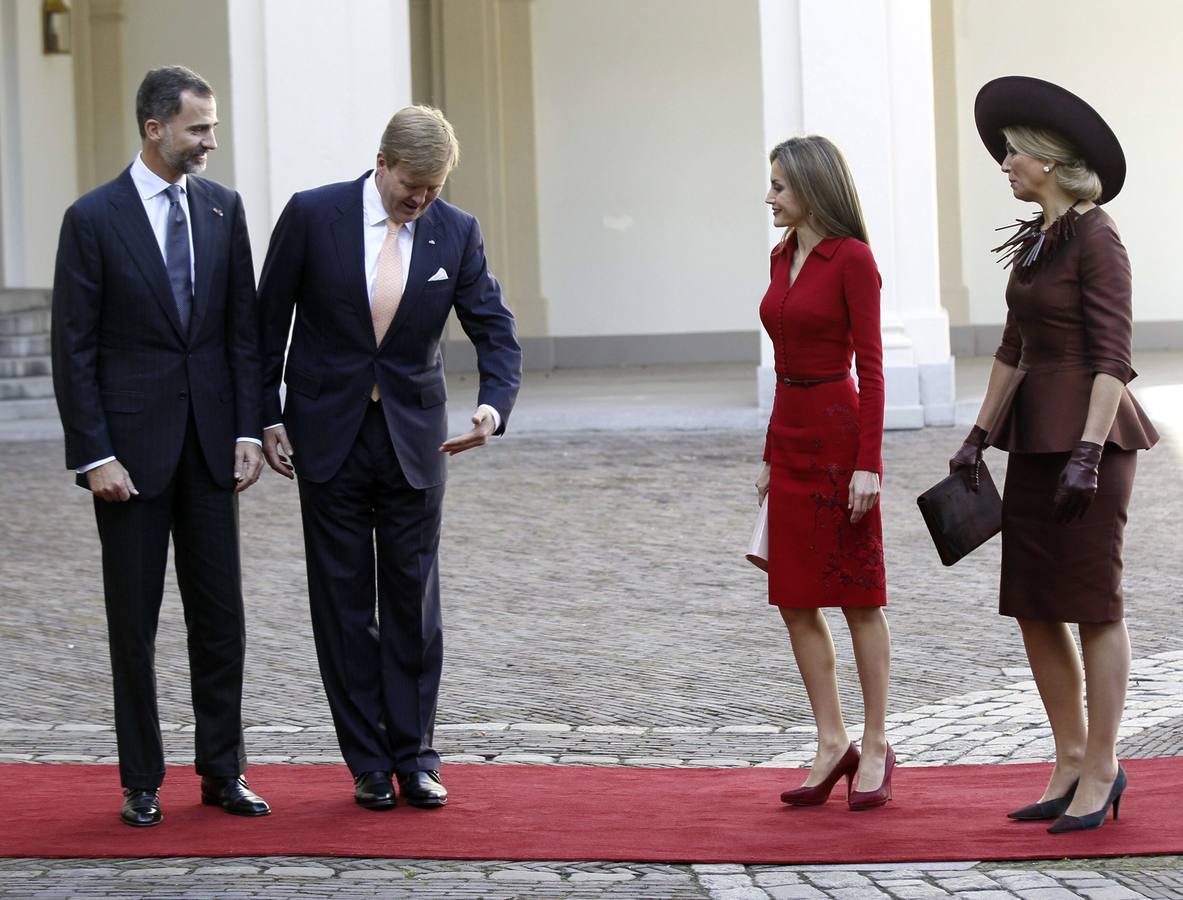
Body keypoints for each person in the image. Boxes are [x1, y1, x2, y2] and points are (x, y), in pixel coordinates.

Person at [257, 105, 522, 811]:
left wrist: (491, 409)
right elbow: (265, 326)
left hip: (415, 440)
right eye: (412, 185)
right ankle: (367, 762)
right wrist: (266, 416)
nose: (421, 199)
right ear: (381, 163)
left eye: (434, 188)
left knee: (413, 603)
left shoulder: (455, 231)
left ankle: (416, 756)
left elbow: (495, 329)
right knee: (344, 603)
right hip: (326, 436)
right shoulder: (312, 216)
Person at [50, 65, 271, 827]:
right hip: (129, 463)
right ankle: (141, 779)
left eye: (211, 127)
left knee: (221, 621)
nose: (211, 141)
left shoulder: (223, 210)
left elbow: (242, 331)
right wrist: (94, 454)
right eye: (198, 128)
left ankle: (223, 773)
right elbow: (72, 348)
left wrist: (247, 428)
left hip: (212, 450)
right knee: (133, 624)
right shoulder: (92, 219)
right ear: (155, 129)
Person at [955, 76, 1159, 833]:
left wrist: (1086, 452)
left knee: (1091, 606)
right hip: (1032, 438)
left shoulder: (1097, 235)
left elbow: (1113, 355)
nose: (1003, 163)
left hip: (1088, 442)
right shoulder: (1039, 240)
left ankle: (1103, 766)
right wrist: (977, 436)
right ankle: (1068, 757)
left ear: (1046, 159)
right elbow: (1012, 349)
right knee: (1034, 605)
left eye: (1012, 153)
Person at [757, 136, 893, 811]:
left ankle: (873, 742)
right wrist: (767, 451)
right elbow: (783, 362)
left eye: (779, 186)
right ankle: (828, 739)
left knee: (858, 597)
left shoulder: (853, 261)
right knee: (794, 598)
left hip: (840, 439)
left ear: (811, 188)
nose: (769, 197)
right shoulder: (781, 257)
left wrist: (868, 463)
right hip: (791, 435)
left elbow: (870, 368)